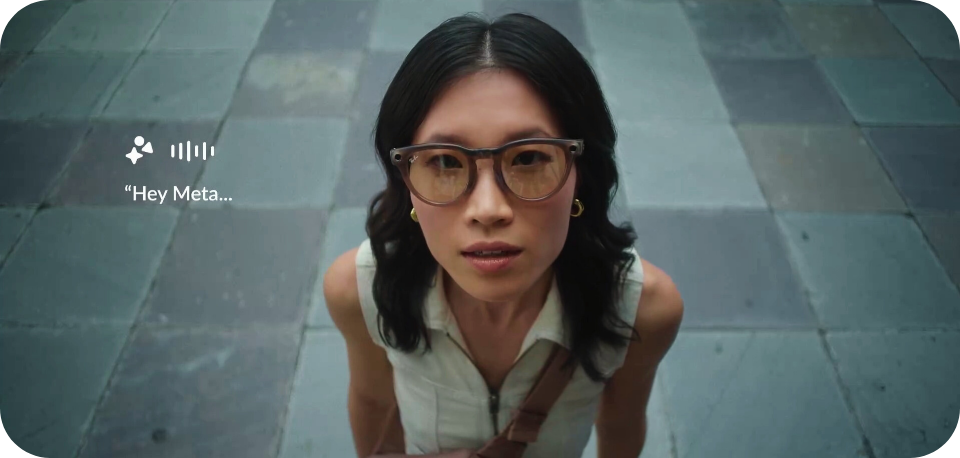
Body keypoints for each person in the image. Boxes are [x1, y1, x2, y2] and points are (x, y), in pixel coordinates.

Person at [323, 12, 684, 458]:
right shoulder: (359, 290)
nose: (488, 210)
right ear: (406, 184)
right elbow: (373, 401)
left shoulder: (643, 310)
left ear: (582, 177)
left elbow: (623, 422)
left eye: (529, 158)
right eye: (445, 162)